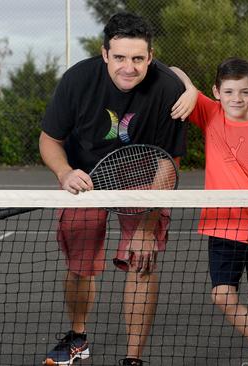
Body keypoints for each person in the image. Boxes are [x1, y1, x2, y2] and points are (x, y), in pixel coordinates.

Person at [38, 12, 192, 366]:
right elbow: (49, 140)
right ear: (105, 53)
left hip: (143, 174)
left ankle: (133, 359)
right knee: (79, 266)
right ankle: (78, 337)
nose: (129, 67)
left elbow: (169, 162)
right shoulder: (78, 79)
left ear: (150, 57)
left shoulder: (167, 87)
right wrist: (64, 173)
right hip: (87, 177)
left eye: (138, 58)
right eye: (120, 57)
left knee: (143, 259)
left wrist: (147, 227)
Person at [170, 58, 248, 366]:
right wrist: (191, 89)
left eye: (244, 92)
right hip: (221, 227)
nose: (237, 98)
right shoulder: (211, 115)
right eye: (230, 91)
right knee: (223, 295)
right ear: (216, 92)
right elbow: (174, 72)